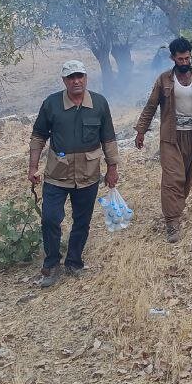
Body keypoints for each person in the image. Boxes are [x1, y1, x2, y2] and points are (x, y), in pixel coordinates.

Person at [28, 60, 119, 288]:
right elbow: (38, 136)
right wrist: (32, 166)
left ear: (86, 78)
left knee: (82, 221)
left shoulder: (99, 103)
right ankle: (51, 263)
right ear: (64, 81)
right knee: (50, 219)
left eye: (80, 76)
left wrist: (112, 168)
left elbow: (108, 138)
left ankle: (74, 261)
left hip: (88, 175)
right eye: (71, 77)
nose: (76, 81)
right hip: (57, 174)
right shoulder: (51, 104)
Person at [134, 37, 192, 243]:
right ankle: (172, 222)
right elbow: (151, 106)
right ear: (173, 58)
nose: (184, 62)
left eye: (187, 58)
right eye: (180, 59)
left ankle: (176, 208)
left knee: (187, 177)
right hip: (171, 137)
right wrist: (141, 131)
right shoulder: (164, 80)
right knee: (173, 178)